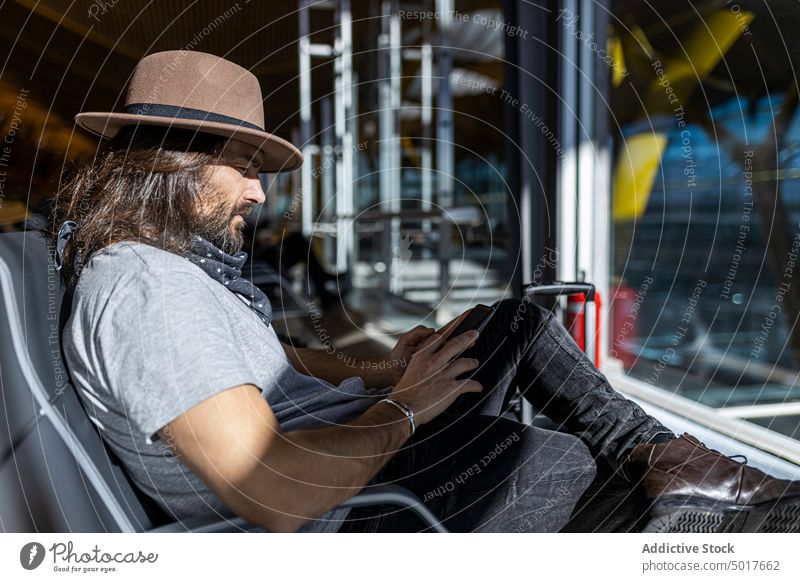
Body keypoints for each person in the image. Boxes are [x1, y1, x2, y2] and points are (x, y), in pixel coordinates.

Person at [52, 50, 800, 534]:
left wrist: (390, 370)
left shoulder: (169, 268)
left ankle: (674, 466)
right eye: (244, 163)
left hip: (361, 446)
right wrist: (406, 408)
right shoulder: (147, 290)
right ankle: (692, 499)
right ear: (172, 163)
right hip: (348, 505)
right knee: (548, 460)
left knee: (513, 325)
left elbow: (261, 361)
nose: (258, 188)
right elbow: (275, 487)